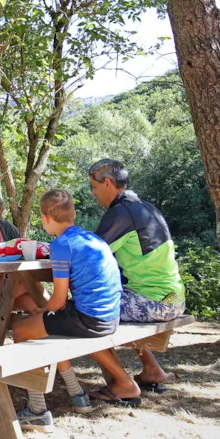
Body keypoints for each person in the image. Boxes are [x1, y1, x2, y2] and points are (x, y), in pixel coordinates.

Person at [11, 189, 123, 432]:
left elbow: (59, 301)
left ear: (45, 218)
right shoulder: (92, 238)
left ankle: (37, 411)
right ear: (74, 213)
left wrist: (41, 311)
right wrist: (45, 314)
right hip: (111, 317)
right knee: (48, 328)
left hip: (90, 319)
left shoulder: (61, 245)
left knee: (21, 330)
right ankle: (77, 394)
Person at [87, 158, 186, 403]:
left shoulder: (121, 213)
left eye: (94, 187)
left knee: (88, 310)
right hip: (174, 298)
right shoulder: (145, 207)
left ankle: (122, 383)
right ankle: (152, 369)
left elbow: (88, 254)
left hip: (155, 302)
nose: (93, 193)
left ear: (108, 183)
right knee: (117, 299)